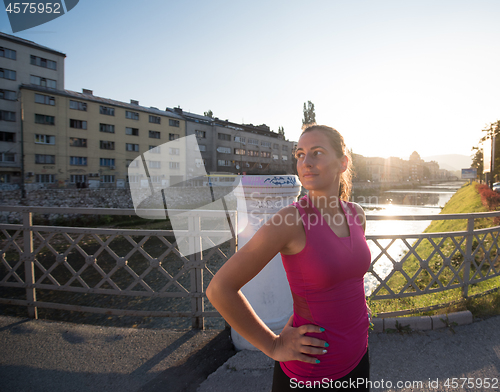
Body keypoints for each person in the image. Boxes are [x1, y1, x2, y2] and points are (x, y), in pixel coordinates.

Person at [206, 124, 371, 391]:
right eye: (300, 154)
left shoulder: (357, 214)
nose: (306, 162)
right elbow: (219, 289)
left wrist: (357, 312)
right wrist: (273, 345)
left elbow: (348, 277)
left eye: (317, 152)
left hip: (358, 357)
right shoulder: (290, 221)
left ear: (343, 163)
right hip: (311, 374)